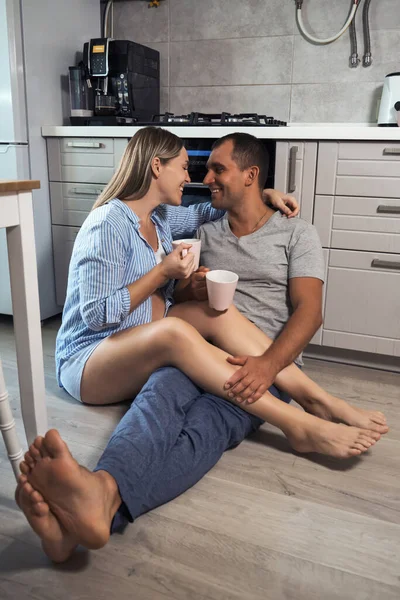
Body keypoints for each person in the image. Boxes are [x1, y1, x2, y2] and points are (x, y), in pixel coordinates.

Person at [15, 129, 388, 563]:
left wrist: (264, 190)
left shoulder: (172, 222)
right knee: (166, 377)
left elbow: (307, 308)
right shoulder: (119, 223)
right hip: (108, 352)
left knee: (210, 340)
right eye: (187, 167)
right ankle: (298, 423)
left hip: (244, 357)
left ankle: (88, 508)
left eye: (214, 169)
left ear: (248, 175)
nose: (196, 176)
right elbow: (96, 315)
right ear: (157, 167)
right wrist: (169, 277)